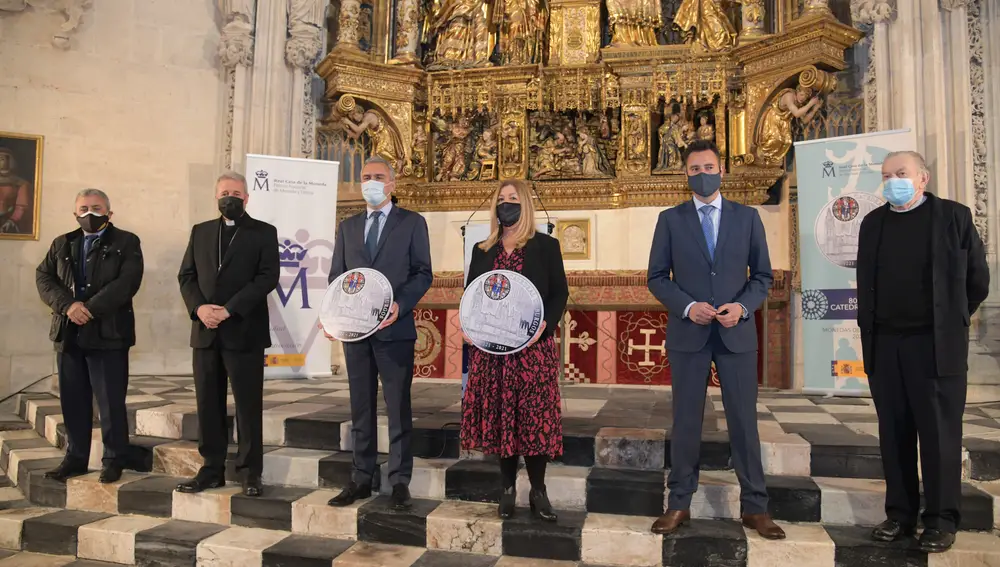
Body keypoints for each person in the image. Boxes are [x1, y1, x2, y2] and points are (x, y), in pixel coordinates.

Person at [647, 139, 784, 539]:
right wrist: (689, 307)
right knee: (686, 421)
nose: (702, 175)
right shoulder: (670, 220)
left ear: (721, 170)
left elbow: (762, 276)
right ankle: (679, 503)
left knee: (743, 421)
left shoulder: (747, 218)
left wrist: (742, 308)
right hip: (690, 334)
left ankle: (755, 507)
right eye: (694, 170)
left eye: (708, 167)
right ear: (685, 175)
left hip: (735, 332)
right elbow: (657, 278)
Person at [857, 151, 989, 553]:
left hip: (935, 346)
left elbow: (978, 282)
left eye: (901, 173)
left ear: (922, 177)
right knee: (893, 435)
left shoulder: (954, 217)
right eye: (886, 175)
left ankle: (940, 520)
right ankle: (899, 514)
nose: (893, 180)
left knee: (939, 436)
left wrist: (948, 320)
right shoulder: (872, 223)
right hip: (886, 345)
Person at [325, 156, 433, 510]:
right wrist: (332, 317)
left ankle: (400, 480)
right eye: (366, 177)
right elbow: (338, 280)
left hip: (394, 330)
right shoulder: (348, 227)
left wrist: (399, 305)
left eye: (378, 177)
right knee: (361, 407)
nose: (371, 182)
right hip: (356, 334)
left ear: (392, 183)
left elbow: (421, 273)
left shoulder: (412, 223)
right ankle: (361, 477)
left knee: (398, 405)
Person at [460, 179, 568, 521]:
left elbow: (559, 294)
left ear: (525, 204)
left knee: (533, 421)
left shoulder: (546, 246)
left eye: (513, 198)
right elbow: (472, 297)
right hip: (492, 351)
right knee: (501, 418)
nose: (506, 204)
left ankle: (538, 490)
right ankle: (506, 489)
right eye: (501, 199)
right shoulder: (481, 249)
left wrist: (544, 327)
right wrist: (467, 327)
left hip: (531, 351)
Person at [176, 172, 279, 497]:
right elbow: (187, 275)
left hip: (243, 329)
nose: (229, 197)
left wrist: (230, 309)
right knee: (208, 403)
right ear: (216, 197)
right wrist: (200, 309)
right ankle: (211, 469)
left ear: (246, 198)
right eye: (224, 192)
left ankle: (250, 472)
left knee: (248, 405)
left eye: (236, 192)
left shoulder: (263, 233)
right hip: (205, 331)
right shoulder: (201, 231)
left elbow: (267, 277)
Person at [35, 188, 143, 483]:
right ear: (75, 214)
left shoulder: (127, 241)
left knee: (110, 400)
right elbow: (44, 277)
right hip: (69, 334)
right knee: (73, 400)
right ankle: (76, 457)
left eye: (96, 208)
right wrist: (68, 306)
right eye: (83, 208)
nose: (89, 214)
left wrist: (89, 309)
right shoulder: (62, 243)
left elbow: (127, 282)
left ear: (109, 212)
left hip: (108, 333)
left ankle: (113, 458)